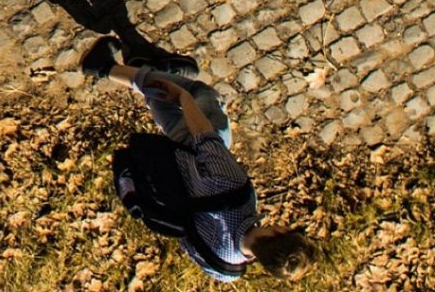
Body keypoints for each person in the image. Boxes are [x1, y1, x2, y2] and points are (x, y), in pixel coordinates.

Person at [82, 38, 317, 281]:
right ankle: (149, 70)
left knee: (201, 95)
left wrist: (184, 97)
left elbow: (205, 138)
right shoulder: (226, 268)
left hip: (191, 150)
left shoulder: (237, 194)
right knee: (167, 111)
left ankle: (106, 68)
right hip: (172, 177)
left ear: (278, 232)